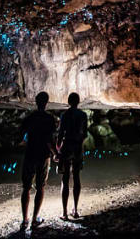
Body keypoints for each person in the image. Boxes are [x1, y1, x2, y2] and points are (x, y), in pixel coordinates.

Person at [19, 91, 57, 230]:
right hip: (43, 155)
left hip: (30, 154)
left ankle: (25, 220)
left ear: (36, 101)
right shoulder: (49, 119)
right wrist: (56, 153)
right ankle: (35, 219)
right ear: (46, 103)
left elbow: (21, 136)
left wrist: (25, 142)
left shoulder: (30, 118)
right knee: (40, 187)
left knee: (26, 188)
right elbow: (49, 139)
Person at [56, 92, 88, 220]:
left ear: (69, 102)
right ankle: (75, 210)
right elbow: (85, 133)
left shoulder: (65, 115)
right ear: (78, 101)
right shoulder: (83, 115)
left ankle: (64, 212)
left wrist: (58, 148)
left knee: (65, 179)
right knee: (76, 177)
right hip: (78, 147)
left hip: (67, 146)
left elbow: (61, 133)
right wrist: (79, 142)